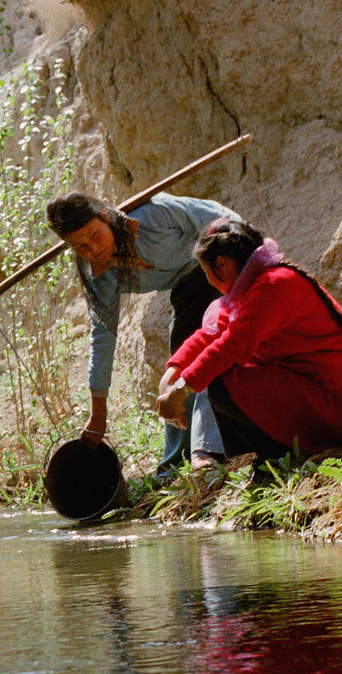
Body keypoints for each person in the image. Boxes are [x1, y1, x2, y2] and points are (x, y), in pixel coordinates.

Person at [46, 187, 241, 475]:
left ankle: (209, 451)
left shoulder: (155, 213)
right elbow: (102, 337)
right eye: (80, 247)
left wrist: (247, 269)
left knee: (212, 354)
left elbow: (224, 221)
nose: (93, 249)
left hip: (218, 268)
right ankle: (173, 465)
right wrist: (98, 414)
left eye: (94, 235)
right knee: (178, 367)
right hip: (186, 288)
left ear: (105, 218)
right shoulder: (102, 277)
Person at [154, 217, 342, 465]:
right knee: (219, 373)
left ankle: (280, 453)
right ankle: (276, 453)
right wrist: (171, 373)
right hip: (320, 394)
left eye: (206, 272)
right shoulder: (256, 284)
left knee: (221, 380)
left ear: (221, 264)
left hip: (334, 406)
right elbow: (212, 333)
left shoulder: (273, 284)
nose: (208, 280)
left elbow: (233, 346)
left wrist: (181, 390)